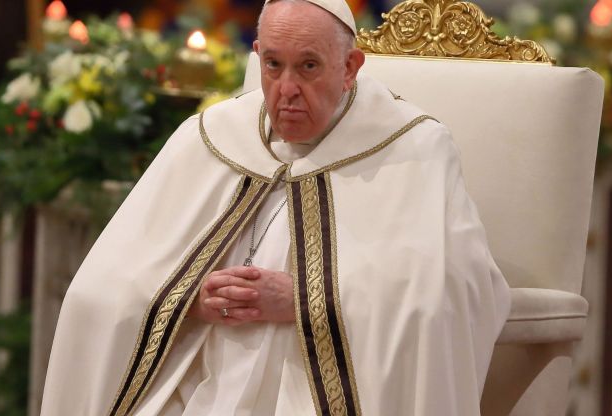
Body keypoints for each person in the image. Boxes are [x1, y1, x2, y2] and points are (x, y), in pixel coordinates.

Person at [40, 0, 511, 414]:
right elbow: (101, 284)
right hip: (195, 377)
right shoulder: (210, 136)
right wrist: (188, 298)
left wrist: (306, 299)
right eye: (273, 65)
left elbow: (456, 291)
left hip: (318, 388)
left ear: (349, 67)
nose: (285, 89)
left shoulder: (414, 149)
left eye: (308, 67)